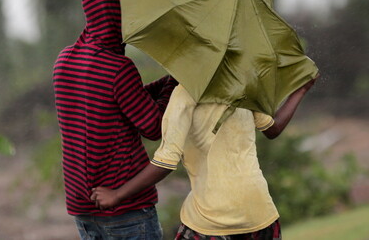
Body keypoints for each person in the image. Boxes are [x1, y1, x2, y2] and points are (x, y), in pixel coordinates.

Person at [91, 76, 318, 240]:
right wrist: (301, 89)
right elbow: (274, 128)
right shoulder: (243, 85)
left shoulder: (185, 94)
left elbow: (166, 161)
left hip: (212, 220)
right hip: (260, 213)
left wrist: (117, 195)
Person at [53, 0, 178, 240]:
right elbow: (154, 127)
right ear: (116, 14)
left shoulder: (63, 62)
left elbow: (115, 106)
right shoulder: (118, 69)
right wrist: (175, 84)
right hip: (126, 209)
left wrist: (167, 81)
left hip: (83, 209)